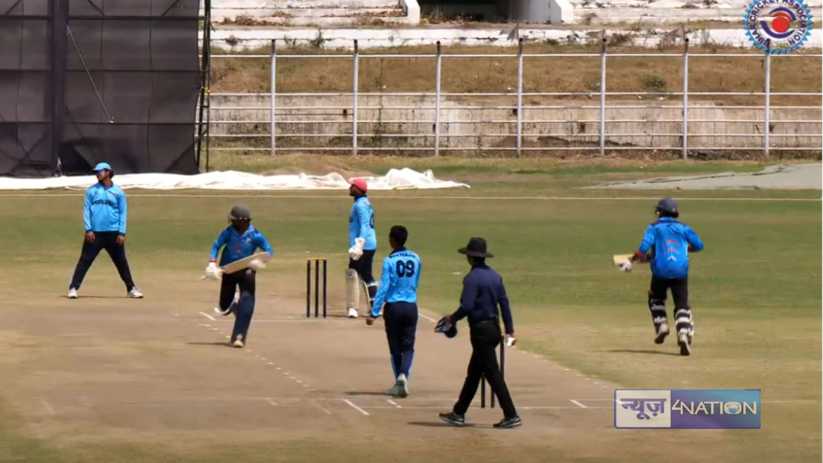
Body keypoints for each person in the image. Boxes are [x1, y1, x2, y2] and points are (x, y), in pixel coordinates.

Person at [438, 237, 521, 429]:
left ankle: (511, 414)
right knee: (474, 373)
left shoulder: (471, 278)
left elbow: (466, 306)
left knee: (493, 374)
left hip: (480, 332)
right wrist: (509, 330)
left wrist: (453, 318)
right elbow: (504, 304)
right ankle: (458, 413)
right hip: (494, 330)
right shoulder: (495, 276)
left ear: (470, 257)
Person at [620, 197, 704, 356]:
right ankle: (684, 333)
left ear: (659, 212)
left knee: (655, 298)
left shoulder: (654, 227)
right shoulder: (684, 228)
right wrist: (684, 249)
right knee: (682, 305)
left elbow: (644, 248)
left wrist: (632, 260)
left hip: (660, 271)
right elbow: (699, 245)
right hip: (680, 270)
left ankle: (661, 325)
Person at [68, 162, 142, 299]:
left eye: (100, 171)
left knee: (121, 262)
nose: (97, 174)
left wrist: (121, 232)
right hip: (94, 233)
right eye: (96, 172)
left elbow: (123, 213)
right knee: (85, 261)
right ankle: (73, 288)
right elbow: (86, 211)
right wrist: (88, 229)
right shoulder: (91, 191)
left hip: (113, 233)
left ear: (108, 172)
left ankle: (131, 288)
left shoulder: (118, 192)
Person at [366, 225, 421, 398]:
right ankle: (403, 376)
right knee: (409, 346)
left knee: (395, 347)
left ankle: (400, 379)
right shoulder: (416, 258)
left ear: (392, 240)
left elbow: (384, 288)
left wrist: (374, 312)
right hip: (411, 306)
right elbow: (416, 281)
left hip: (394, 307)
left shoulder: (389, 261)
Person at [206, 205, 273, 349]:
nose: (231, 222)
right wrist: (212, 263)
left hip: (247, 270)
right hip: (228, 270)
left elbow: (268, 250)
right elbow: (216, 246)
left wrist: (260, 261)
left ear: (241, 221)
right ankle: (234, 305)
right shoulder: (228, 232)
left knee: (247, 300)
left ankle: (239, 336)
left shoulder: (255, 234)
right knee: (224, 306)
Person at [346, 178, 377, 318]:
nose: (350, 187)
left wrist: (359, 245)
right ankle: (375, 307)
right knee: (367, 275)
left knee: (352, 273)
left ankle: (353, 308)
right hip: (369, 244)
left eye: (352, 186)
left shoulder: (360, 205)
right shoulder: (364, 202)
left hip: (362, 246)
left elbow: (364, 225)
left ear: (358, 189)